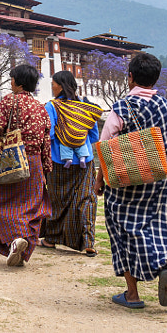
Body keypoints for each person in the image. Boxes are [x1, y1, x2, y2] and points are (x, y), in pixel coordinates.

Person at [95, 52, 167, 309]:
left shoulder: (121, 108)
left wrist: (99, 180)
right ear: (156, 78)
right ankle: (161, 267)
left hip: (125, 181)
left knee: (124, 231)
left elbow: (105, 147)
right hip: (160, 179)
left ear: (130, 78)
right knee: (155, 228)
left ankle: (132, 294)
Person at [0, 63, 52, 267]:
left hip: (12, 158)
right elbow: (46, 139)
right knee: (31, 206)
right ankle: (22, 246)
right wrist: (46, 166)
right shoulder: (40, 107)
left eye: (12, 78)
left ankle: (15, 239)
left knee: (0, 201)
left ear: (18, 82)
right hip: (34, 162)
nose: (11, 82)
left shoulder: (10, 101)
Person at [40, 70, 101, 256]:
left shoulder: (52, 106)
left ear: (61, 85)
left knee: (58, 199)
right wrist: (78, 146)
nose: (52, 86)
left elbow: (48, 135)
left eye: (54, 83)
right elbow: (94, 135)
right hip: (85, 161)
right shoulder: (85, 105)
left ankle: (51, 239)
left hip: (59, 161)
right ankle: (88, 241)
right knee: (86, 198)